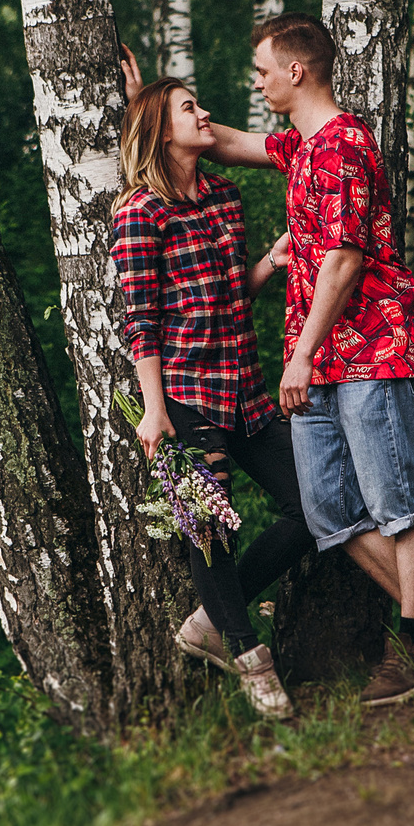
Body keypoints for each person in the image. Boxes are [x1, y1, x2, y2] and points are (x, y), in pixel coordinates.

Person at [125, 17, 414, 708]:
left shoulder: (342, 146)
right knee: (327, 509)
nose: (251, 83)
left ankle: (412, 645)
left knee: (398, 500)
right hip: (314, 364)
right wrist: (138, 103)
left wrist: (300, 355)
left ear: (295, 72)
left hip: (371, 347)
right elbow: (208, 140)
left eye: (260, 69)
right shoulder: (299, 148)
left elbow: (343, 260)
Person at [112, 74, 312, 719]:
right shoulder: (139, 213)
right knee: (209, 531)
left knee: (312, 506)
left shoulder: (225, 196)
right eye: (189, 108)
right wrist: (153, 408)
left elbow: (226, 297)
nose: (206, 115)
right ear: (159, 131)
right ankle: (248, 654)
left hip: (245, 388)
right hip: (187, 396)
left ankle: (207, 622)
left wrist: (269, 264)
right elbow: (141, 319)